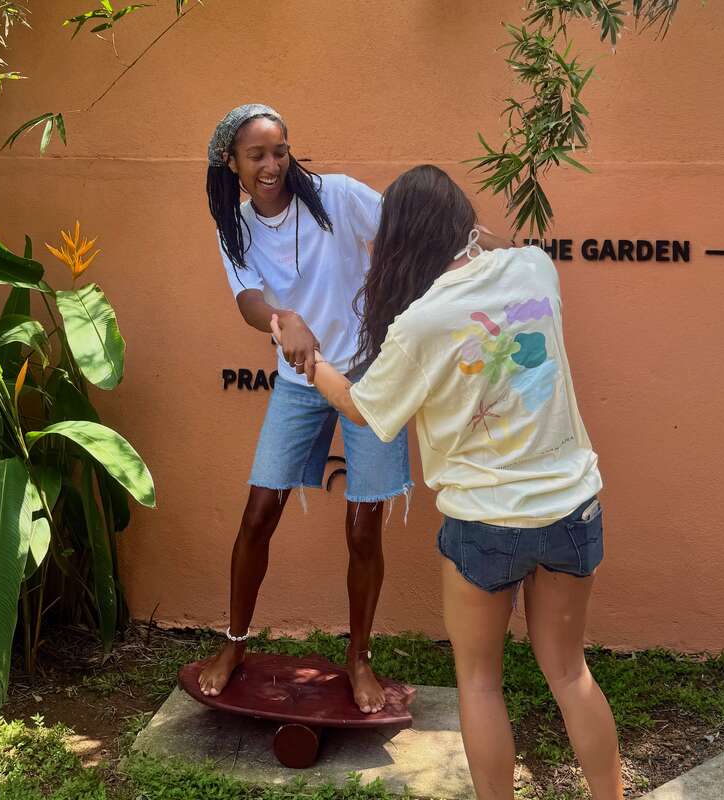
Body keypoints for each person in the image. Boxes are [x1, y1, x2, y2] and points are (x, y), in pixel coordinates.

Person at [281, 165, 623, 798]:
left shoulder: (421, 325)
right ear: (464, 222)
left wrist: (312, 361)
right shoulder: (534, 268)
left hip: (484, 523)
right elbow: (493, 245)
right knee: (571, 673)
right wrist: (472, 234)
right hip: (571, 508)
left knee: (481, 682)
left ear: (402, 239)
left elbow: (363, 411)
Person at [198, 103, 412, 714]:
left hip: (369, 373)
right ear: (231, 163)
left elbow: (404, 227)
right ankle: (235, 644)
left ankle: (359, 658)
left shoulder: (337, 196)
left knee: (363, 524)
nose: (272, 165)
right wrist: (282, 318)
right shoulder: (232, 225)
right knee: (259, 510)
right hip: (299, 377)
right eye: (257, 155)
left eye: (280, 151)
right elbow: (246, 297)